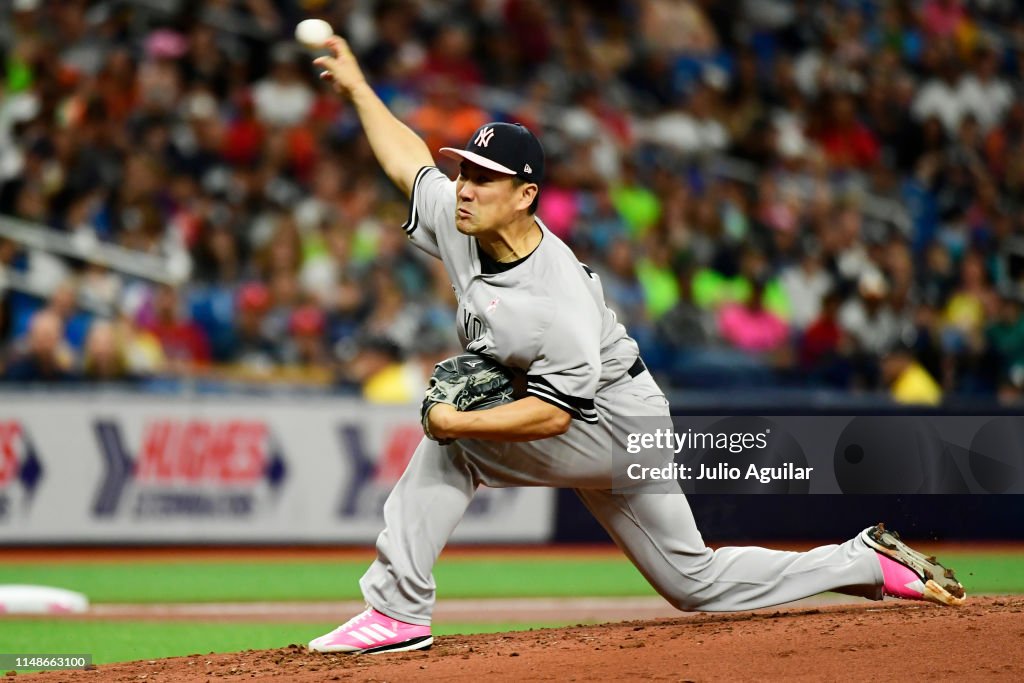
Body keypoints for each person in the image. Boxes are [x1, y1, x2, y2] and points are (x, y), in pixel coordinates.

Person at [307, 36, 965, 655]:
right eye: (466, 170)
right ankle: (863, 558)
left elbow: (554, 414)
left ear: (526, 195)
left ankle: (397, 609)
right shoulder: (461, 217)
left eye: (484, 176)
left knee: (457, 443)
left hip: (616, 418)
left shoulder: (553, 292)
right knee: (694, 582)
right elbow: (408, 163)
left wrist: (457, 420)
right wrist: (361, 88)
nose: (466, 185)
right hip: (614, 411)